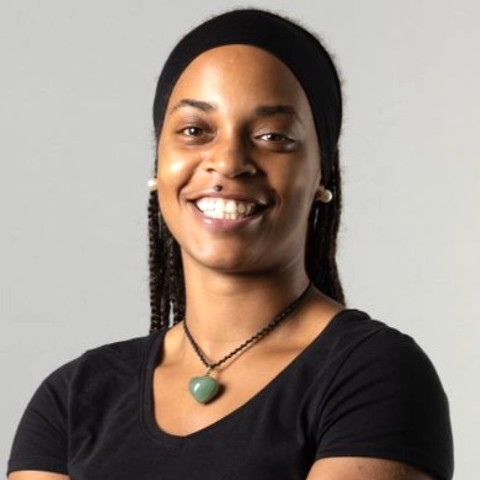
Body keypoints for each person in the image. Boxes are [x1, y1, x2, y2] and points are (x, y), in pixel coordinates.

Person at [7, 9, 453, 480]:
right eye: (195, 131)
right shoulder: (73, 399)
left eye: (273, 137)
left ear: (321, 174)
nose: (228, 161)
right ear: (159, 163)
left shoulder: (373, 375)